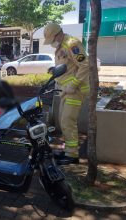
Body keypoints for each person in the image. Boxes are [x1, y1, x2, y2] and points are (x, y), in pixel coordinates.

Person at [43, 23, 90, 165]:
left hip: (75, 91)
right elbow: (68, 66)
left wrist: (73, 85)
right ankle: (68, 150)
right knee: (63, 122)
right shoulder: (61, 45)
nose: (52, 43)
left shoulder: (72, 44)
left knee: (68, 122)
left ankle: (72, 155)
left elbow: (85, 65)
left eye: (52, 39)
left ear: (58, 34)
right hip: (65, 90)